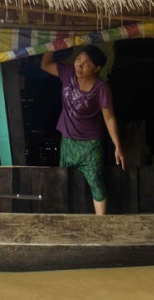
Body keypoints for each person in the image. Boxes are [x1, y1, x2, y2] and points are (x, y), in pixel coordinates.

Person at [41, 45, 125, 215]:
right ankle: (64, 223)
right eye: (78, 60)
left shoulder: (101, 88)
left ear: (97, 68)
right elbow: (44, 65)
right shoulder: (67, 73)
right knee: (63, 180)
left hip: (91, 145)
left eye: (86, 63)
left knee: (96, 184)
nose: (79, 65)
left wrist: (118, 146)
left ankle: (101, 226)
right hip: (68, 142)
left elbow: (109, 118)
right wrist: (54, 43)